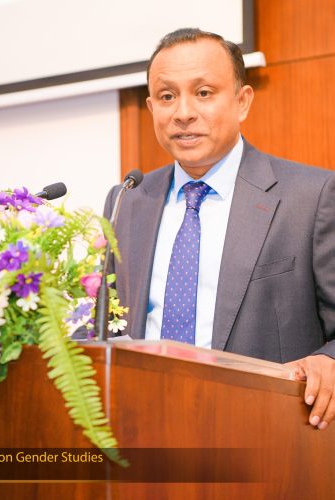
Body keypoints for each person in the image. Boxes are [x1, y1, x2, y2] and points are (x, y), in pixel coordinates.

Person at [104, 28, 335, 430]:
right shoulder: (128, 200)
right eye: (167, 96)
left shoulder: (311, 197)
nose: (183, 112)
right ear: (151, 107)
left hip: (265, 434)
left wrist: (328, 360)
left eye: (204, 92)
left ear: (242, 101)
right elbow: (107, 324)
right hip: (143, 424)